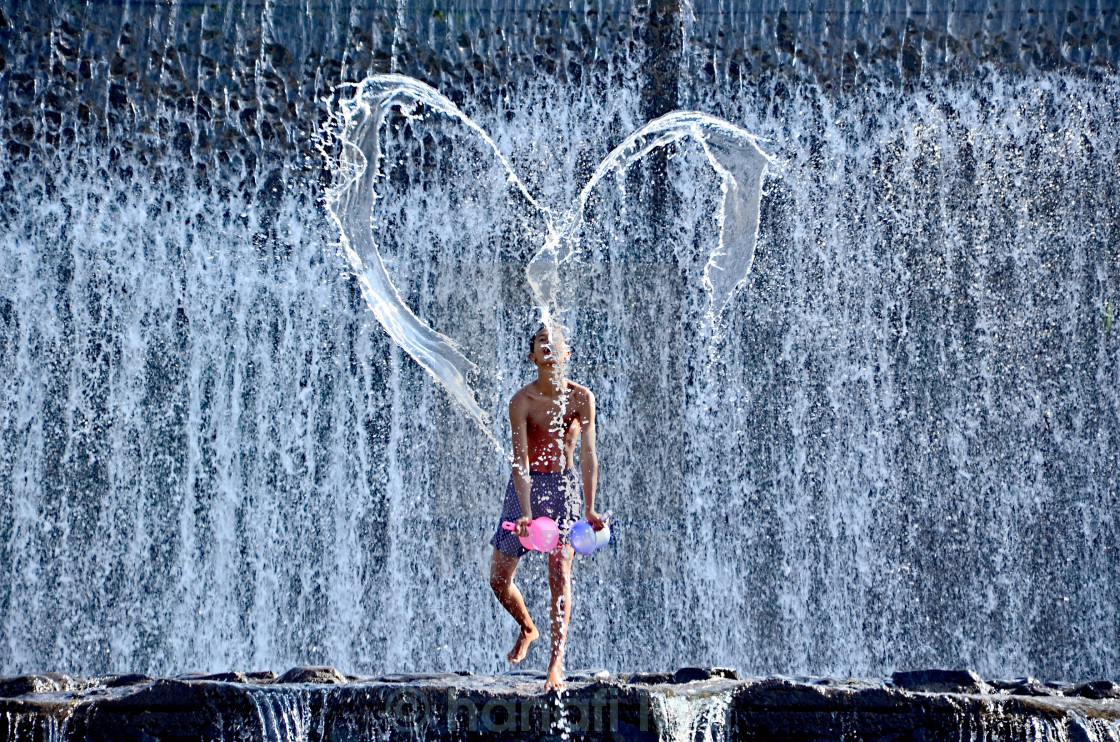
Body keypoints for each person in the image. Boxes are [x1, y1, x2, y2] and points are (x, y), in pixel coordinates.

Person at [489, 324, 608, 692]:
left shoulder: (580, 398)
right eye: (541, 339)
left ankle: (555, 664)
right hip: (526, 488)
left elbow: (588, 454)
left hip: (564, 488)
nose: (548, 342)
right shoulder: (520, 402)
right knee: (498, 579)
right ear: (532, 356)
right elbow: (521, 462)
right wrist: (524, 513)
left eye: (555, 339)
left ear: (566, 354)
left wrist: (589, 508)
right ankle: (528, 627)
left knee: (560, 570)